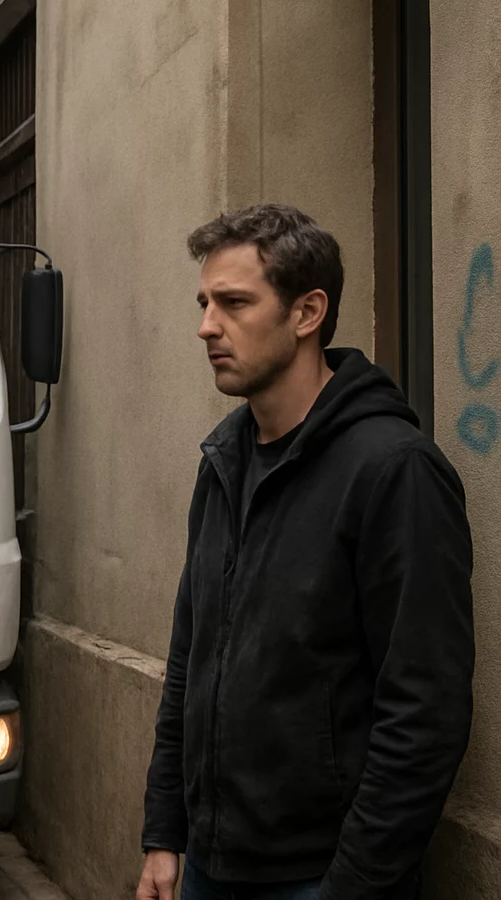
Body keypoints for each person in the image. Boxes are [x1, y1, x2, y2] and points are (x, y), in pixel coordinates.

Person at [137, 204, 474, 900]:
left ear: (307, 312)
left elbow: (425, 709)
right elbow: (190, 660)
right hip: (208, 866)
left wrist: (353, 884)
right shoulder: (223, 463)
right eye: (204, 304)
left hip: (320, 876)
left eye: (234, 303)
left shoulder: (393, 470)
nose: (207, 326)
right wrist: (165, 834)